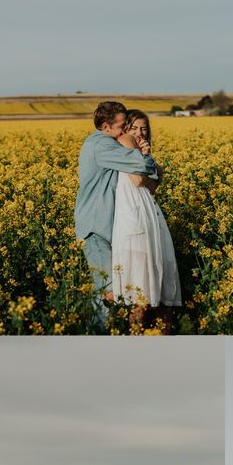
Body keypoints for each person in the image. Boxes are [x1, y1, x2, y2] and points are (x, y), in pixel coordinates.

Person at [74, 101, 161, 328]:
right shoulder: (101, 144)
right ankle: (100, 337)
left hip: (107, 225)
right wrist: (147, 156)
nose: (125, 130)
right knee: (109, 290)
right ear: (105, 126)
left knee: (113, 289)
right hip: (95, 226)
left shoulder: (103, 141)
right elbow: (138, 165)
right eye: (122, 126)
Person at [111, 109, 182, 330]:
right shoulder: (124, 146)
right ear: (125, 129)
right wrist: (144, 158)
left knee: (161, 290)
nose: (140, 132)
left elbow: (149, 188)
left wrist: (152, 166)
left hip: (150, 216)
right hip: (134, 220)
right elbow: (138, 180)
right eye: (134, 128)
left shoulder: (139, 152)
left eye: (144, 128)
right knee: (138, 290)